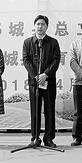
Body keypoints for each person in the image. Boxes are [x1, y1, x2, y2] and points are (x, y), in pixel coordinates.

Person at [22, 15, 61, 148]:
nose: (40, 26)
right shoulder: (27, 42)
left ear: (47, 26)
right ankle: (35, 138)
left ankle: (48, 138)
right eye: (38, 24)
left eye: (43, 24)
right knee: (35, 111)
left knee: (49, 110)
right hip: (34, 82)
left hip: (49, 82)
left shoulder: (53, 42)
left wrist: (45, 74)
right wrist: (36, 76)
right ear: (34, 26)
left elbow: (56, 60)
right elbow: (26, 60)